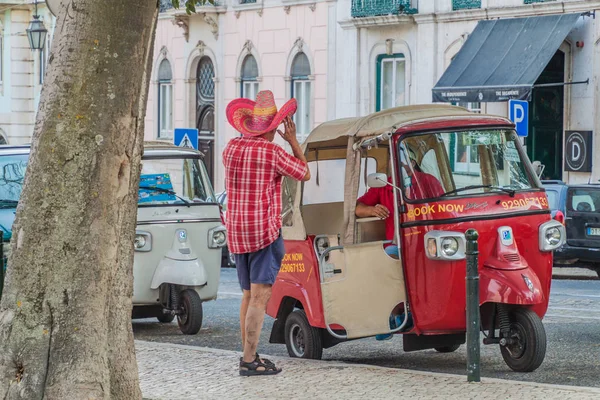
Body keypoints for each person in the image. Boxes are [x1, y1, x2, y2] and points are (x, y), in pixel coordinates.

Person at [223, 90, 311, 376]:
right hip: (263, 232)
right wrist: (294, 140)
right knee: (261, 298)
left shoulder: (230, 149)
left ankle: (249, 353)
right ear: (273, 129)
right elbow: (303, 173)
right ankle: (249, 361)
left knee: (248, 296)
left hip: (237, 233)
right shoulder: (272, 152)